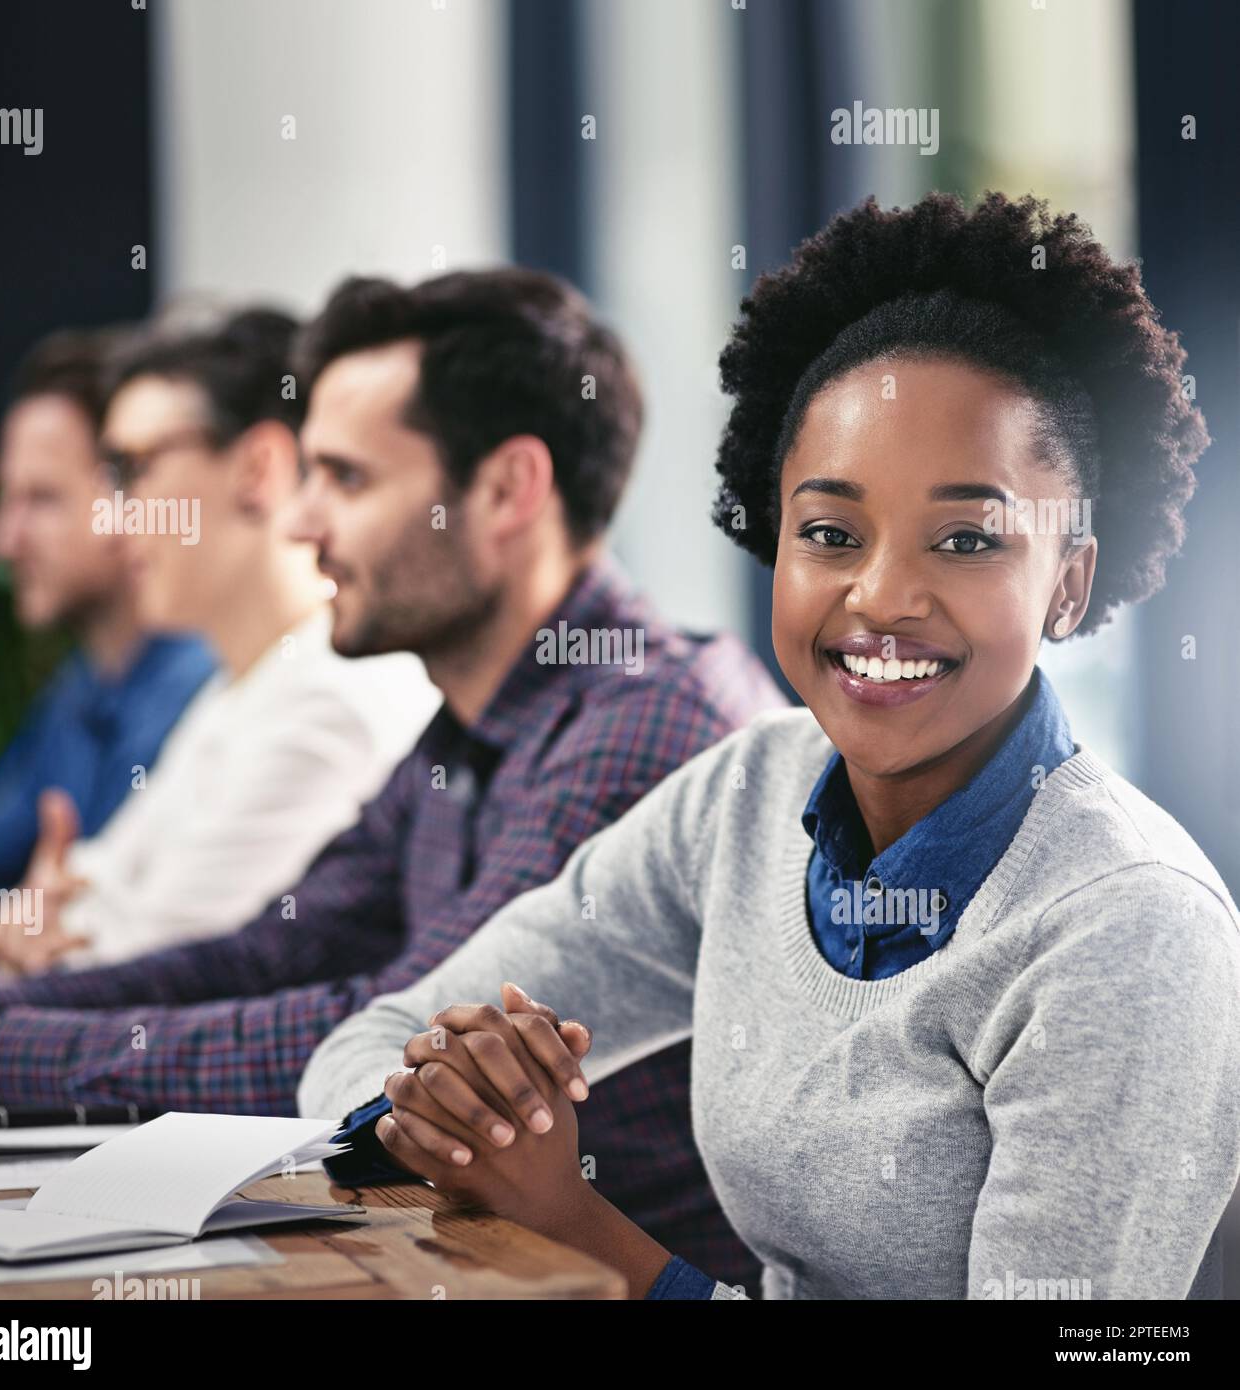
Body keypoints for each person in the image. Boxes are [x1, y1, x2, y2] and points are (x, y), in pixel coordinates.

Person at [297, 192, 1240, 1301]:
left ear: (1068, 583)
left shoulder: (1127, 929)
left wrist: (569, 1217)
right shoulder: (744, 797)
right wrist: (440, 1105)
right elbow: (370, 1050)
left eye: (967, 539)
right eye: (829, 533)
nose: (880, 596)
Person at [0, 268, 785, 1287]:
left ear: (508, 489)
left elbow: (400, 1027)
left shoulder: (643, 719)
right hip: (456, 1262)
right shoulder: (461, 727)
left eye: (345, 479)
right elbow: (269, 955)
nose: (301, 523)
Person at [0, 307, 439, 975]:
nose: (111, 521)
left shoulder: (328, 704)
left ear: (256, 469)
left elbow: (137, 979)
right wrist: (36, 936)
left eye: (131, 468)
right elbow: (76, 912)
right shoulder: (239, 687)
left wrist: (44, 941)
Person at [0, 328, 216, 975]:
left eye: (41, 499)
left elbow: (82, 936)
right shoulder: (83, 687)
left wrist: (9, 925)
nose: (2, 538)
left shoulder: (199, 694)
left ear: (134, 494)